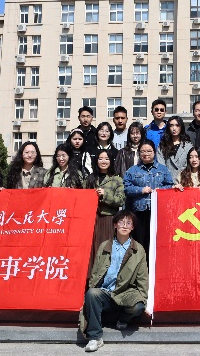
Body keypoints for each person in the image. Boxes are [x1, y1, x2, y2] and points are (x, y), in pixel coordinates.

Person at [80, 210, 148, 352]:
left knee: (138, 306)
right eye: (121, 222)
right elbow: (95, 272)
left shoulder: (139, 249)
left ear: (132, 227)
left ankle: (123, 318)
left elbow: (142, 278)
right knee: (92, 294)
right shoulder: (105, 245)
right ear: (115, 225)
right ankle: (95, 337)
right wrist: (90, 292)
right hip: (106, 292)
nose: (124, 225)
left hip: (125, 292)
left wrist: (143, 299)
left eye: (128, 223)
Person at [123, 139, 174, 252]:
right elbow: (126, 188)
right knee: (140, 242)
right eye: (143, 151)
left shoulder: (163, 169)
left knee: (155, 241)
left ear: (154, 152)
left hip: (157, 211)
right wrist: (140, 190)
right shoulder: (132, 170)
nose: (146, 154)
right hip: (138, 212)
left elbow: (170, 185)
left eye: (149, 151)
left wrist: (160, 190)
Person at [86, 149, 126, 270]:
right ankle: (90, 277)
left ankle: (106, 276)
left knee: (106, 248)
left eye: (106, 159)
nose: (103, 161)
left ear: (111, 161)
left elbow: (120, 200)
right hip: (91, 218)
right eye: (100, 158)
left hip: (109, 218)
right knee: (90, 249)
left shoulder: (117, 179)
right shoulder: (90, 178)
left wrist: (105, 195)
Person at [156, 115, 194, 182]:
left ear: (181, 127)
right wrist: (169, 180)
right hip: (167, 182)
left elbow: (188, 165)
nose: (174, 128)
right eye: (171, 125)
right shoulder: (162, 145)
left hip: (184, 181)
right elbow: (161, 164)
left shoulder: (188, 146)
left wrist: (180, 179)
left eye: (177, 125)